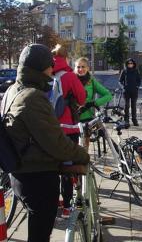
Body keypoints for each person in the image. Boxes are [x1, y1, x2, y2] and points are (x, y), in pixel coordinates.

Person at [3, 44, 89, 242]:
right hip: (37, 177)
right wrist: (82, 155)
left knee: (37, 229)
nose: (52, 70)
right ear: (40, 68)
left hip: (19, 171)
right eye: (50, 66)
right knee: (40, 234)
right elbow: (56, 142)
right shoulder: (32, 97)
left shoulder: (12, 90)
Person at [52, 44, 87, 219]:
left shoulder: (45, 74)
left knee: (51, 167)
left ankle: (52, 204)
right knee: (67, 167)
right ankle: (66, 207)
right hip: (67, 129)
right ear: (66, 58)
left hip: (47, 129)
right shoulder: (69, 76)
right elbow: (82, 98)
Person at [74, 56, 112, 135]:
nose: (80, 69)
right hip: (73, 117)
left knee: (85, 145)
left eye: (83, 67)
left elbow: (108, 95)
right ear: (75, 68)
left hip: (87, 117)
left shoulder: (91, 81)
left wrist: (93, 103)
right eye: (78, 67)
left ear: (88, 68)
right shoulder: (71, 80)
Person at [119, 58, 141, 127]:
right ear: (127, 64)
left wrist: (137, 86)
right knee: (126, 106)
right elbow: (120, 81)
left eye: (131, 63)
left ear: (133, 64)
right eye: (128, 63)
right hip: (126, 91)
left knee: (133, 106)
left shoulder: (136, 71)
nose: (130, 64)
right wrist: (123, 87)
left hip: (134, 91)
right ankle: (126, 121)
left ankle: (134, 120)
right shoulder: (124, 71)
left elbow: (139, 80)